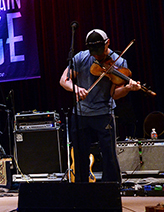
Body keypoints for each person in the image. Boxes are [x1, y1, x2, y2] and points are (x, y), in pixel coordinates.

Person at [60, 29, 141, 182]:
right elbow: (64, 80)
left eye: (100, 51)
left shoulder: (119, 62)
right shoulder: (81, 57)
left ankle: (111, 189)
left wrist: (128, 88)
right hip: (81, 114)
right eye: (93, 52)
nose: (97, 56)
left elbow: (114, 94)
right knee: (79, 155)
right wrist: (76, 88)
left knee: (109, 155)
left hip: (104, 113)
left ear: (107, 43)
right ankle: (82, 190)